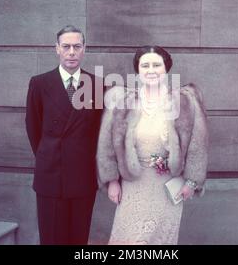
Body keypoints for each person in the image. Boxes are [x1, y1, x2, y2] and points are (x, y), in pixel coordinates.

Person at [96, 46, 209, 245]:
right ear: (138, 70)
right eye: (145, 65)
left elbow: (197, 145)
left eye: (156, 65)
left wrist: (192, 181)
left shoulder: (185, 102)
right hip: (133, 183)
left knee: (160, 241)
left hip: (167, 185)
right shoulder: (123, 101)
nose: (151, 70)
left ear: (166, 68)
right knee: (130, 238)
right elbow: (107, 145)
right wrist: (112, 180)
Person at [25, 25, 102, 245]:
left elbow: (98, 131)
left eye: (77, 46)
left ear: (84, 49)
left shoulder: (97, 85)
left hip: (82, 177)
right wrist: (49, 155)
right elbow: (33, 127)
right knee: (51, 238)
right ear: (56, 48)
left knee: (79, 239)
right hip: (50, 175)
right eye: (66, 46)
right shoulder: (39, 83)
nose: (71, 52)